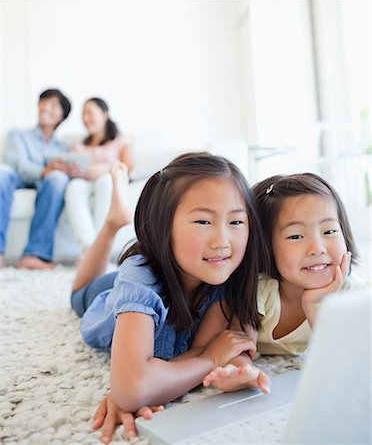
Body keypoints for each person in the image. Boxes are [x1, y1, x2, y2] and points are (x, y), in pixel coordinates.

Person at [71, 152, 271, 444]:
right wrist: (210, 359)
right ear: (162, 225)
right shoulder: (138, 280)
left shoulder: (229, 273)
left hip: (171, 280)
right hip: (109, 293)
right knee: (79, 293)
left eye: (236, 222)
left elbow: (230, 343)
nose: (222, 241)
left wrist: (239, 367)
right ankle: (112, 225)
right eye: (203, 222)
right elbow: (132, 388)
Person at [202, 172, 369, 391]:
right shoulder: (262, 289)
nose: (317, 248)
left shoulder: (349, 290)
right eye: (295, 236)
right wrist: (242, 370)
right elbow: (239, 343)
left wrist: (316, 304)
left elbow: (345, 360)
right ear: (265, 246)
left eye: (329, 231)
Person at [0, 88, 72, 269]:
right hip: (17, 179)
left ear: (61, 116)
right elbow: (18, 165)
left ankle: (34, 255)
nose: (46, 107)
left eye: (54, 105)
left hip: (47, 186)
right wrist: (44, 171)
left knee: (57, 179)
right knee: (2, 173)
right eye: (44, 102)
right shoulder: (18, 135)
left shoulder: (63, 148)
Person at [64, 97, 133, 264]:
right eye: (83, 114)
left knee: (106, 182)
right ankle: (88, 247)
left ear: (105, 114)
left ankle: (99, 247)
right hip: (84, 181)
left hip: (107, 180)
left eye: (90, 113)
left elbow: (127, 167)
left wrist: (104, 170)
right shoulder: (78, 146)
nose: (85, 118)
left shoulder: (121, 140)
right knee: (73, 187)